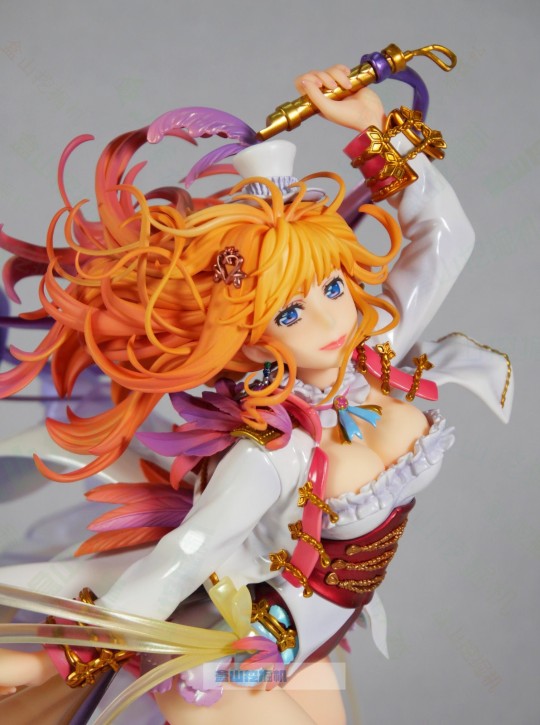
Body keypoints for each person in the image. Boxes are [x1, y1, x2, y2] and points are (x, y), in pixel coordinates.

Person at [0, 66, 512, 724]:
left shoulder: (375, 348)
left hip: (315, 636)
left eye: (332, 286)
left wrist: (374, 127)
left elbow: (446, 236)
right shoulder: (272, 449)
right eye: (289, 313)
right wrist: (55, 661)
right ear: (247, 339)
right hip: (240, 652)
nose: (329, 320)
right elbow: (184, 557)